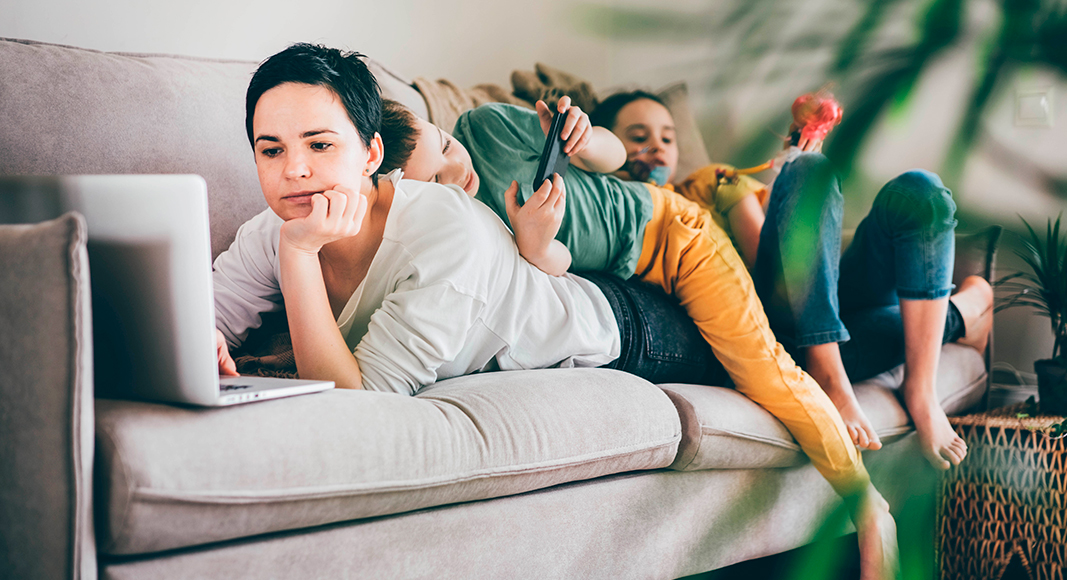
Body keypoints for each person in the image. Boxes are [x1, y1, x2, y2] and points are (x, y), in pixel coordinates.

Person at [377, 98, 898, 579]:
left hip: (677, 234)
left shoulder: (486, 129)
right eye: (440, 179)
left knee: (762, 367)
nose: (458, 170)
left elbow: (614, 154)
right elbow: (553, 268)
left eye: (445, 146)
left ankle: (867, 503)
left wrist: (587, 137)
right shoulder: (465, 225)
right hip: (630, 283)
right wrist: (536, 245)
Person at [589, 90, 994, 470]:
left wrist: (794, 180)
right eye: (638, 137)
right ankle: (969, 306)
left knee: (917, 191)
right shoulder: (604, 219)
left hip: (798, 294)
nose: (658, 147)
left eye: (667, 137)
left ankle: (919, 392)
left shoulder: (712, 182)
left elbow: (766, 258)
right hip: (773, 335)